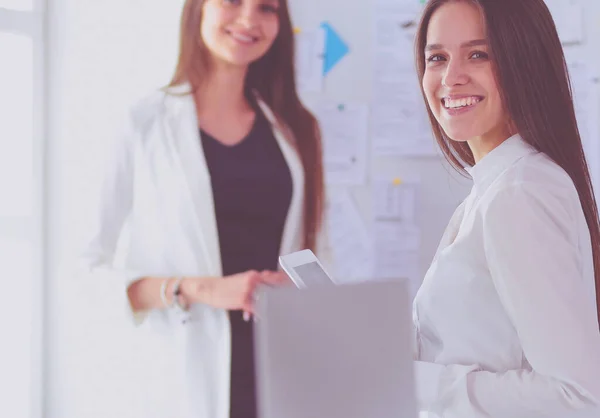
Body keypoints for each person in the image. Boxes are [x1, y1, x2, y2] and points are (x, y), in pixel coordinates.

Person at [77, 0, 331, 417]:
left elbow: (319, 253)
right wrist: (200, 289)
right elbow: (85, 271)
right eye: (233, 1)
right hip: (182, 373)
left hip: (280, 371)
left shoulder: (299, 128)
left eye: (267, 8)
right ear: (197, 9)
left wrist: (301, 292)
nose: (249, 19)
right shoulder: (142, 122)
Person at [411, 0, 600, 417]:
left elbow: (578, 398)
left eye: (479, 54)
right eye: (437, 58)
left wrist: (409, 383)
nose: (451, 77)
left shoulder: (519, 193)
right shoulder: (493, 187)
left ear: (524, 61)